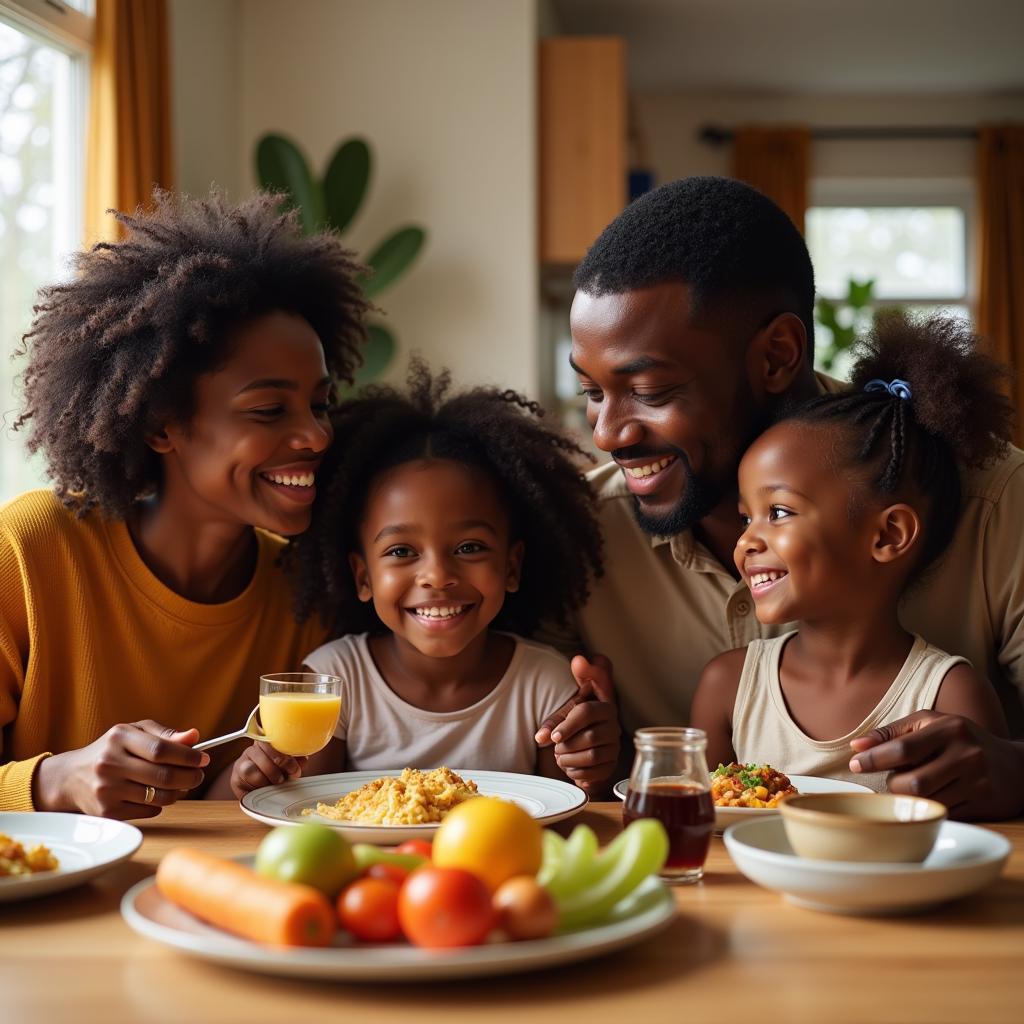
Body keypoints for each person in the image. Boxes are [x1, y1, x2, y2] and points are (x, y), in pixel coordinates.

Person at [555, 175, 1024, 819]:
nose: (608, 434)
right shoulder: (576, 531)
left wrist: (1013, 770)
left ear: (776, 354)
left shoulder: (995, 501)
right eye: (592, 392)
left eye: (652, 391)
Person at [0, 190, 368, 817]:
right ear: (161, 425)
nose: (316, 435)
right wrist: (56, 780)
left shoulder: (303, 594)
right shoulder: (32, 550)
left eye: (320, 404)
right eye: (269, 409)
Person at [227, 361, 615, 798]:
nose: (437, 576)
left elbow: (567, 811)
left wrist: (593, 768)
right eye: (401, 552)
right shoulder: (334, 681)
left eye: (469, 547)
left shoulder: (544, 684)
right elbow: (303, 811)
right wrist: (254, 779)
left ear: (512, 566)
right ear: (362, 576)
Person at [690, 315, 1010, 793]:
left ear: (888, 536)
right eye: (745, 518)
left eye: (777, 512)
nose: (746, 542)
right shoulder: (728, 686)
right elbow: (693, 824)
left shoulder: (949, 695)